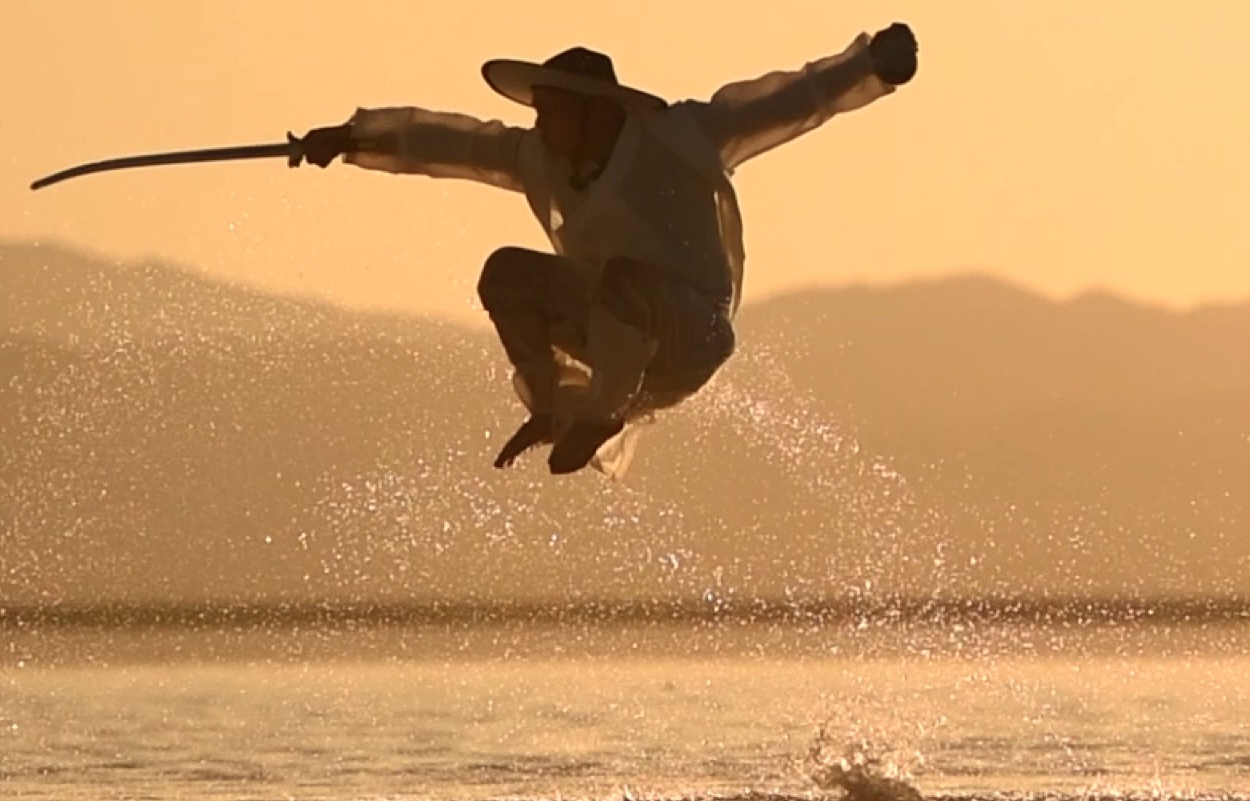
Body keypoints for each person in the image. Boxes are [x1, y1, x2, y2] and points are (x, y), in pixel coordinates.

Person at [288, 24, 919, 474]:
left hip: (689, 332)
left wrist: (871, 67)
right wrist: (351, 138)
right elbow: (453, 143)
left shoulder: (681, 137)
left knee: (625, 278)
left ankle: (599, 411)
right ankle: (554, 406)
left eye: (550, 110)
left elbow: (790, 100)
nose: (537, 123)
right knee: (504, 273)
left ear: (595, 112)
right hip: (615, 339)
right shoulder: (541, 158)